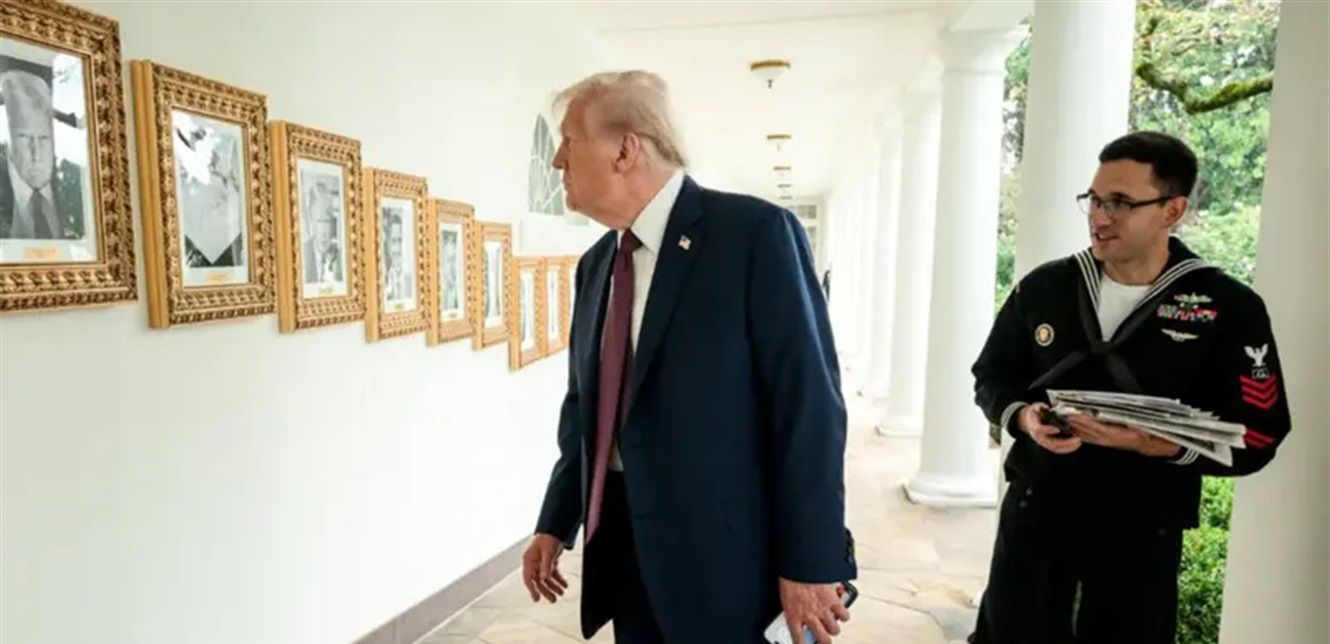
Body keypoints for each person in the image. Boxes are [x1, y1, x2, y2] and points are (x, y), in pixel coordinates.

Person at [522, 70, 856, 644]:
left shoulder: (753, 236)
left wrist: (810, 560)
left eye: (569, 141)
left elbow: (808, 408)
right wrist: (555, 522)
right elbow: (585, 409)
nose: (557, 161)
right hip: (628, 556)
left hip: (728, 567)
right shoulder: (597, 266)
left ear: (625, 150)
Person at [968, 131, 1292, 644]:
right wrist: (1025, 418)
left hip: (1144, 526)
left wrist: (1153, 443)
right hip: (1038, 510)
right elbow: (991, 375)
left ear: (1172, 210)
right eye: (1094, 200)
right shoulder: (1045, 288)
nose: (1100, 217)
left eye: (1120, 203)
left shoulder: (1226, 306)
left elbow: (1261, 432)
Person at [0, 61, 84, 240]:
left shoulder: (76, 184)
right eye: (24, 138)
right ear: (9, 142)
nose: (36, 155)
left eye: (44, 139)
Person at [303, 183, 342, 285]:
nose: (324, 230)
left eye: (327, 221)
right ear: (311, 218)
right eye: (319, 221)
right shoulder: (302, 254)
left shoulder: (341, 257)